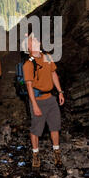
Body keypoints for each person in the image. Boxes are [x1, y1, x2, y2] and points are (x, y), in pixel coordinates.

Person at [22, 34, 65, 168]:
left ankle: (56, 152)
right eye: (33, 40)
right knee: (36, 129)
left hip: (51, 99)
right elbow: (29, 86)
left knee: (54, 127)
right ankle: (35, 154)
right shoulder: (28, 65)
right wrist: (34, 105)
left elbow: (53, 74)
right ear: (29, 47)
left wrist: (60, 92)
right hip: (38, 100)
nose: (37, 41)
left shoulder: (47, 57)